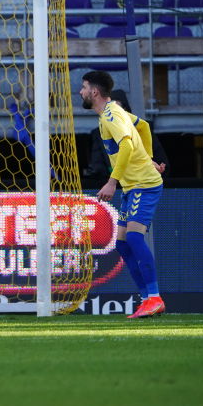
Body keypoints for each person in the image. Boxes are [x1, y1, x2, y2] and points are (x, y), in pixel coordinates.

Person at [80, 70, 167, 318]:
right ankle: (148, 298)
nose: (81, 92)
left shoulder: (110, 115)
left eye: (84, 87)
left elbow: (128, 143)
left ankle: (154, 297)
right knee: (122, 243)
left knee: (135, 239)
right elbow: (144, 126)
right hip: (133, 185)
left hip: (144, 184)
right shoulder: (111, 112)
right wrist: (149, 158)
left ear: (94, 92)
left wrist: (111, 182)